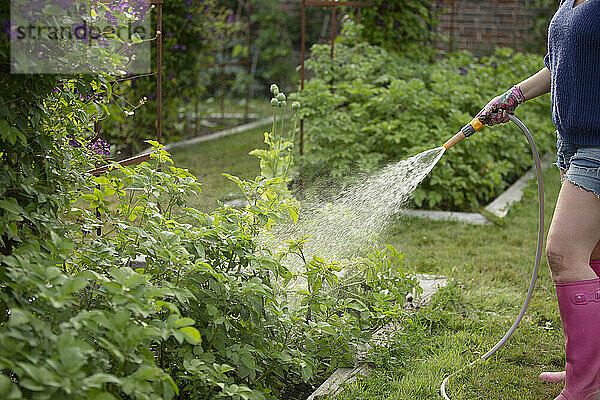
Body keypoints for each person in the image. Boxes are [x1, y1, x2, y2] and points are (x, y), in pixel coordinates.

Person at [476, 0, 600, 399]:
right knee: (593, 256)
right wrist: (513, 95)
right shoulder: (571, 2)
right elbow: (560, 64)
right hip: (574, 143)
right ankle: (587, 371)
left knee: (564, 254)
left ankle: (587, 386)